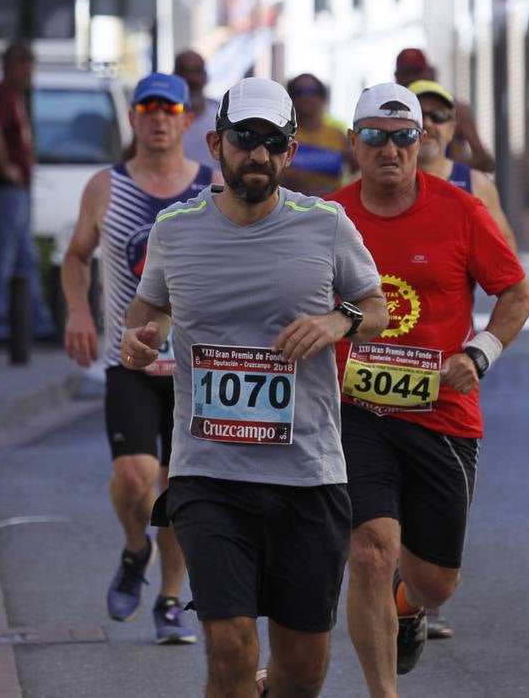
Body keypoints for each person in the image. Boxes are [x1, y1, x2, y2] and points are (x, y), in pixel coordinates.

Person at [120, 77, 387, 697]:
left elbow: (376, 309)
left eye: (274, 143)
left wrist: (335, 320)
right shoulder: (176, 229)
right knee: (232, 648)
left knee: (300, 669)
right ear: (216, 142)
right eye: (246, 140)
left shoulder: (326, 225)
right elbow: (149, 316)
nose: (259, 156)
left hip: (308, 474)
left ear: (290, 153)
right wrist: (140, 341)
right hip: (211, 473)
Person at [328, 83, 529, 693]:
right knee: (370, 549)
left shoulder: (461, 211)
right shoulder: (328, 221)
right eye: (373, 136)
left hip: (441, 414)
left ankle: (410, 603)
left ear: (423, 141)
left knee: (435, 580)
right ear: (353, 143)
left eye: (402, 137)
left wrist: (481, 351)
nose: (388, 149)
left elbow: (517, 295)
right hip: (354, 410)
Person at [61, 72, 217, 645]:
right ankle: (134, 551)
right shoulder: (106, 186)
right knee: (135, 478)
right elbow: (76, 257)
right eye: (147, 108)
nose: (157, 119)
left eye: (168, 109)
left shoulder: (213, 187)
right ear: (133, 119)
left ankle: (171, 600)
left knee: (183, 488)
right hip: (129, 361)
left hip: (196, 369)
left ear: (185, 118)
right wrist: (79, 311)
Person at [0, 41, 56, 343]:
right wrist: (7, 167)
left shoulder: (13, 97)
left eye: (30, 64)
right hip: (4, 190)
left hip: (13, 190)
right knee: (5, 257)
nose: (28, 71)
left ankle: (37, 322)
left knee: (25, 257)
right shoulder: (1, 97)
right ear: (8, 66)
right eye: (22, 64)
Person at [409, 79, 516, 253]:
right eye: (419, 115)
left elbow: (505, 249)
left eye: (439, 116)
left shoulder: (477, 185)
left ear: (452, 129)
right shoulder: (374, 182)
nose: (428, 123)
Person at [393, 47, 496, 174]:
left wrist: (444, 166)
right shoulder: (390, 114)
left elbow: (485, 162)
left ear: (430, 72)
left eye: (438, 116)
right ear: (397, 76)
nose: (411, 78)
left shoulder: (457, 110)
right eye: (406, 73)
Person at [280, 73, 353, 197]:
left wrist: (343, 192)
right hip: (291, 207)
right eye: (299, 92)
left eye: (313, 91)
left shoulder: (338, 135)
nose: (307, 97)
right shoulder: (281, 134)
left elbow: (359, 170)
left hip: (332, 206)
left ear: (323, 97)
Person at [175, 50, 220, 168]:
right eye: (184, 71)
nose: (191, 78)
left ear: (206, 77)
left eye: (197, 71)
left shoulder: (222, 116)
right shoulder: (161, 119)